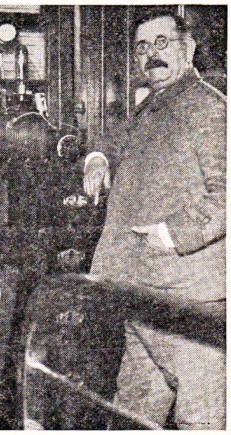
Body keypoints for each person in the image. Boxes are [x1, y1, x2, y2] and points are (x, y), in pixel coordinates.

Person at [83, 10, 226, 429]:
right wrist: (98, 158)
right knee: (134, 409)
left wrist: (172, 234)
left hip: (185, 297)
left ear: (189, 49)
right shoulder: (154, 105)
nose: (151, 54)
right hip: (142, 289)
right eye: (143, 47)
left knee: (201, 417)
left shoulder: (209, 109)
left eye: (162, 43)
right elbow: (114, 139)